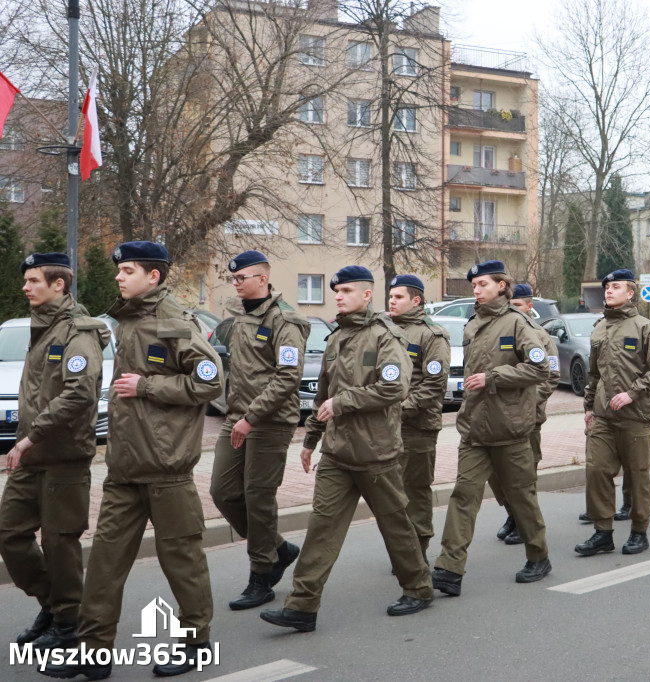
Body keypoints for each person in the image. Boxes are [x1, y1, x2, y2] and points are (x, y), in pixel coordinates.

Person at [42, 241, 223, 679]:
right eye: (120, 271)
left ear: (153, 276)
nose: (119, 277)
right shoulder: (129, 321)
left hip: (166, 469)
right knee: (104, 562)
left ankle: (195, 642)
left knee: (182, 561)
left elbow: (210, 380)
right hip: (125, 468)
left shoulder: (174, 323)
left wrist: (146, 387)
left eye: (127, 270)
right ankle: (93, 652)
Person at [260, 266, 433, 632]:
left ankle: (418, 588)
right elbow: (323, 393)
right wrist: (310, 440)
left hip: (376, 454)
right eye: (336, 290)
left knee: (396, 526)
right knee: (320, 529)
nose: (338, 295)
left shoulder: (387, 336)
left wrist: (344, 402)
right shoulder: (336, 338)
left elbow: (396, 388)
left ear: (367, 295)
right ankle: (302, 607)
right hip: (337, 454)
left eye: (347, 290)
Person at [1, 253, 108, 652]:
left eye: (33, 281)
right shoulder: (41, 328)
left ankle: (67, 623)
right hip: (33, 457)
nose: (26, 287)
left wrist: (30, 437)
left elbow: (79, 393)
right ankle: (54, 605)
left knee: (60, 544)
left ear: (58, 285)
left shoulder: (77, 332)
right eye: (26, 280)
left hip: (63, 456)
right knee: (9, 534)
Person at [432, 261, 553, 596]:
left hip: (510, 428)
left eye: (483, 283)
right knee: (463, 497)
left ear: (502, 285)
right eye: (474, 285)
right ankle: (449, 568)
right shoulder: (472, 325)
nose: (476, 289)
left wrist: (494, 378)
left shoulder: (517, 323)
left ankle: (539, 556)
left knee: (521, 498)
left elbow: (539, 368)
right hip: (475, 430)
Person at [210, 251, 309, 611]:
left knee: (257, 495)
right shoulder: (238, 318)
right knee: (222, 491)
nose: (236, 283)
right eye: (233, 279)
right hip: (236, 417)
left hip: (269, 421)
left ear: (263, 279)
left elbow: (287, 376)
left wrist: (251, 417)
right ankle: (278, 549)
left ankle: (262, 574)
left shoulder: (286, 320)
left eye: (242, 278)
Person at [574, 269, 650, 556]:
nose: (608, 290)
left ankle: (639, 531)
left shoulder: (645, 328)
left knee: (638, 474)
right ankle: (602, 532)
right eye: (607, 286)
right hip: (604, 416)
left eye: (616, 286)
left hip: (635, 418)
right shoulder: (599, 327)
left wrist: (632, 392)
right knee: (596, 470)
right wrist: (589, 407)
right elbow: (594, 374)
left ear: (630, 293)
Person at [388, 274, 450, 559]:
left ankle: (419, 546)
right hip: (385, 428)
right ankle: (403, 547)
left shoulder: (431, 334)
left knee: (415, 489)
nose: (392, 300)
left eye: (398, 296)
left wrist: (401, 409)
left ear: (416, 300)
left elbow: (434, 384)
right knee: (391, 491)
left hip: (417, 426)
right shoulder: (385, 330)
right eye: (390, 296)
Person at [492, 283, 560, 545]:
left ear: (529, 306)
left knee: (523, 475)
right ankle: (512, 513)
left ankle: (525, 523)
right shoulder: (502, 329)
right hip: (500, 416)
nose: (513, 310)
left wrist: (529, 404)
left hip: (528, 417)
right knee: (498, 475)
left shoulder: (541, 336)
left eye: (518, 305)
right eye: (511, 305)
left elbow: (551, 375)